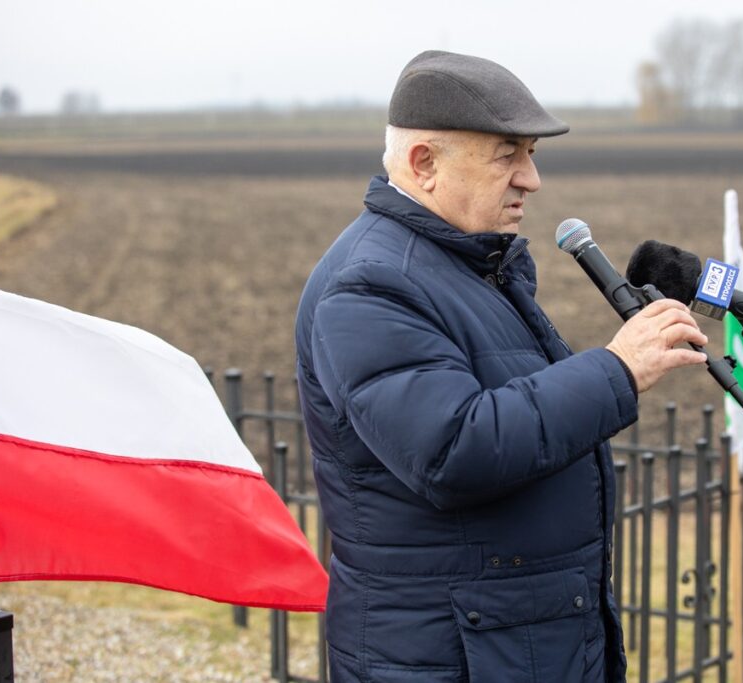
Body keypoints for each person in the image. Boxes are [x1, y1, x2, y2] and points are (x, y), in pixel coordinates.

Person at [295, 50, 707, 683]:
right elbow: (453, 449)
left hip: (514, 644)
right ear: (424, 163)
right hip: (449, 656)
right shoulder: (371, 284)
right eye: (507, 154)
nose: (531, 179)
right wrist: (617, 369)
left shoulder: (467, 265)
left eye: (532, 155)